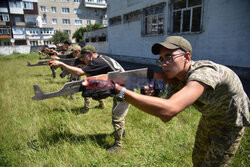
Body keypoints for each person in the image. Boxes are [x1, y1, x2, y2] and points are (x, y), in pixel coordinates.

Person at [82, 36, 249, 166]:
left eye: (169, 56)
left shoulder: (204, 72)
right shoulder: (177, 79)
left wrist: (120, 91)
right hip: (209, 117)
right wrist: (151, 95)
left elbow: (169, 110)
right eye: (161, 59)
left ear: (187, 56)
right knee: (198, 159)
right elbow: (164, 113)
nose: (164, 63)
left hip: (230, 123)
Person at [49, 44, 129, 153]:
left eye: (83, 57)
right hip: (122, 86)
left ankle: (118, 145)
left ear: (90, 54)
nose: (83, 60)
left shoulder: (98, 62)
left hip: (125, 89)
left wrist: (62, 64)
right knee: (118, 114)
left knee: (117, 117)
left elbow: (79, 72)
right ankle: (122, 132)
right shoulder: (102, 58)